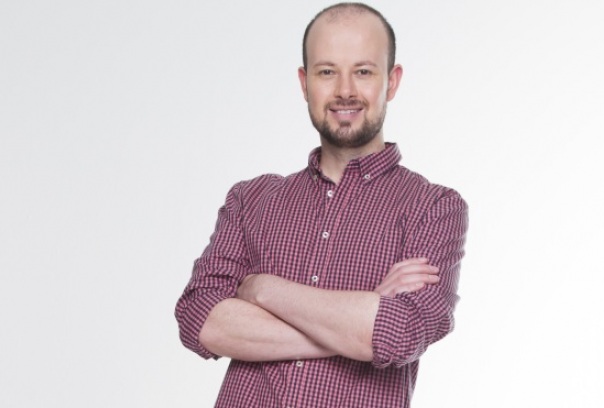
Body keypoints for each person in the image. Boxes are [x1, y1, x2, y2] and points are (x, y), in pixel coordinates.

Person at [175, 3, 468, 407]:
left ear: (392, 81)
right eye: (327, 72)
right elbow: (199, 320)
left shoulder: (433, 207)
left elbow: (399, 333)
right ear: (305, 83)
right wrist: (360, 314)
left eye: (363, 71)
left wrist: (262, 289)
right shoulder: (251, 199)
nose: (345, 90)